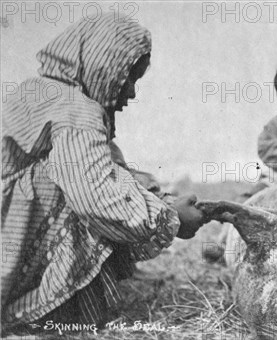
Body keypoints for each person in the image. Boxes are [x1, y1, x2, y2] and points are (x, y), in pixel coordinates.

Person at [1, 14, 206, 335]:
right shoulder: (76, 111)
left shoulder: (41, 92)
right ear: (103, 66)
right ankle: (44, 310)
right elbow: (97, 199)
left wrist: (158, 196)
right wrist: (170, 218)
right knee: (87, 194)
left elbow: (111, 166)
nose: (132, 93)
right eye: (128, 77)